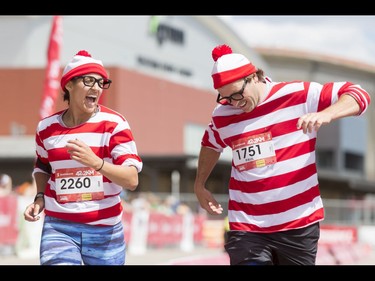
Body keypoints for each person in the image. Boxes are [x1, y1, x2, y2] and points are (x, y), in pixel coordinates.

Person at [193, 44, 371, 265]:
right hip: (248, 226)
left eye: (239, 94)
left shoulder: (298, 95)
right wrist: (199, 185)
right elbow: (210, 144)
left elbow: (359, 94)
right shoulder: (223, 115)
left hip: (298, 224)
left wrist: (327, 114)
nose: (235, 104)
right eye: (227, 98)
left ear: (255, 76)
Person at [23, 50, 143, 265]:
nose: (96, 88)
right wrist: (40, 197)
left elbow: (132, 179)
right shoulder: (46, 128)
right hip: (59, 226)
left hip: (105, 229)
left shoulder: (114, 124)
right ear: (69, 84)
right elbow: (42, 167)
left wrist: (96, 163)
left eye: (101, 82)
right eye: (89, 81)